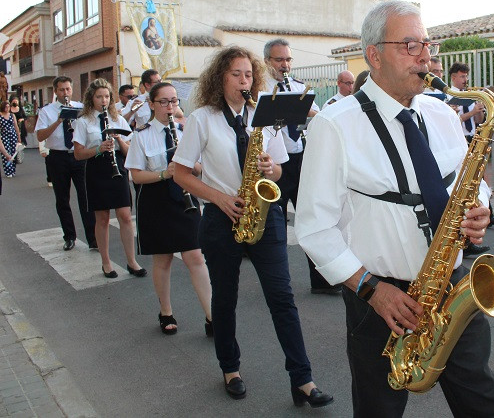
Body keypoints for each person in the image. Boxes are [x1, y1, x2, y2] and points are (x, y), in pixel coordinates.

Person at [296, 0, 494, 418]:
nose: (425, 55)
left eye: (426, 44)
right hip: (381, 299)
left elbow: (467, 181)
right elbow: (314, 228)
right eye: (410, 45)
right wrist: (371, 290)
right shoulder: (334, 125)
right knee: (379, 409)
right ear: (374, 55)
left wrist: (480, 209)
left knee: (485, 404)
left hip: (451, 285)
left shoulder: (441, 112)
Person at [172, 46, 332, 406]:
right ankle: (230, 368)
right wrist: (218, 197)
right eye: (236, 75)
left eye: (248, 75)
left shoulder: (264, 115)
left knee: (283, 298)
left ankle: (303, 379)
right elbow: (180, 173)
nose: (245, 81)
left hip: (265, 213)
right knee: (225, 299)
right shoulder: (202, 118)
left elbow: (279, 168)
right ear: (220, 79)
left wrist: (269, 168)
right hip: (221, 216)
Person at [125, 82, 211, 335]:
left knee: (195, 256)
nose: (170, 107)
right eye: (164, 102)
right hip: (156, 199)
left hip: (184, 196)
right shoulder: (141, 135)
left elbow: (202, 167)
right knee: (162, 259)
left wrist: (192, 166)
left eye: (173, 101)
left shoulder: (186, 131)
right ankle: (166, 311)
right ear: (152, 105)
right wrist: (165, 172)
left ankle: (211, 314)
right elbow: (136, 177)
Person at [262, 39, 336, 294]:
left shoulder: (298, 87)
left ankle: (321, 281)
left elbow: (316, 114)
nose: (285, 65)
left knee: (310, 218)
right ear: (267, 62)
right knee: (277, 223)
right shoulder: (260, 89)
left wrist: (306, 112)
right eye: (279, 60)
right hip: (275, 161)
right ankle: (278, 282)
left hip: (300, 157)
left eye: (288, 59)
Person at [72, 78, 145, 279]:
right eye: (99, 97)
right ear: (91, 98)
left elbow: (131, 150)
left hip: (117, 168)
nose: (103, 100)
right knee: (102, 218)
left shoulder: (118, 119)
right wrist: (98, 148)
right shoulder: (84, 121)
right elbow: (78, 154)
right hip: (96, 169)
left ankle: (131, 261)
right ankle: (106, 262)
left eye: (106, 96)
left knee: (124, 216)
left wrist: (119, 139)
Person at [35, 76, 97, 251]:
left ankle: (92, 238)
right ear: (55, 91)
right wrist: (59, 120)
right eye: (62, 90)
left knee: (85, 198)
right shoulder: (47, 111)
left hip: (78, 155)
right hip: (58, 157)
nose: (65, 93)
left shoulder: (81, 107)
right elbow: (40, 136)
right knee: (62, 199)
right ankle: (69, 236)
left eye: (68, 89)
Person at [450, 62, 494, 239]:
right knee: (468, 180)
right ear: (453, 78)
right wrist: (473, 112)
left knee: (478, 176)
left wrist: (480, 109)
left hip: (472, 139)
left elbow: (478, 120)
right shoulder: (449, 97)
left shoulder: (469, 95)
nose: (465, 80)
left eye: (466, 76)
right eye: (462, 76)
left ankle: (487, 211)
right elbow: (457, 120)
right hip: (460, 140)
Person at [0, 100, 21, 177]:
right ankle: (8, 171)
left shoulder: (12, 115)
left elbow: (16, 126)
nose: (7, 108)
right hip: (4, 136)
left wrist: (18, 136)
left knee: (13, 153)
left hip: (13, 135)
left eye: (8, 107)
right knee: (6, 153)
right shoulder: (0, 115)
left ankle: (13, 170)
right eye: (6, 107)